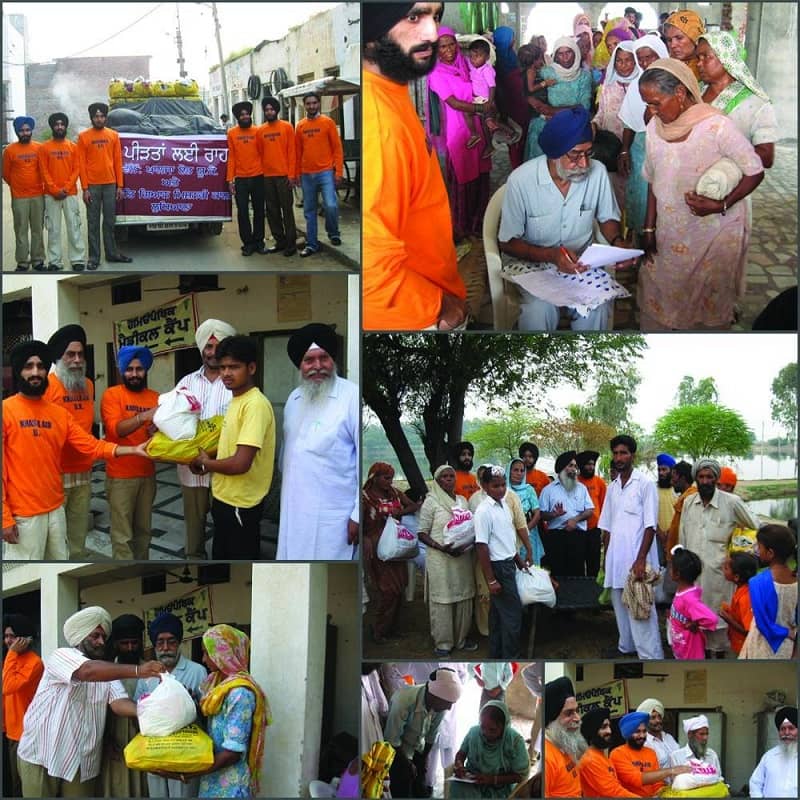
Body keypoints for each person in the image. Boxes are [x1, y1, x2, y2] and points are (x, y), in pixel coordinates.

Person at [362, 2, 467, 331]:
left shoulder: (391, 90)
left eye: (436, 16)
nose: (433, 33)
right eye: (413, 16)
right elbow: (370, 270)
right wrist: (440, 307)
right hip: (417, 318)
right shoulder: (379, 123)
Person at [637, 59, 764, 330]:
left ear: (680, 94)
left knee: (707, 304)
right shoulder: (654, 128)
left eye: (656, 102)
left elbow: (755, 171)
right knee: (660, 294)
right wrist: (648, 228)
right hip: (670, 231)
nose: (651, 110)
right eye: (647, 103)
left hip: (715, 232)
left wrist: (721, 204)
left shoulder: (716, 126)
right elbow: (652, 179)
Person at [2, 341, 150, 561]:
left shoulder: (58, 414)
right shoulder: (6, 411)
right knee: (29, 574)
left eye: (40, 366)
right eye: (28, 366)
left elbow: (90, 444)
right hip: (24, 513)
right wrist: (5, 518)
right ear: (18, 372)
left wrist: (132, 449)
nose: (35, 372)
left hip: (55, 508)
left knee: (60, 564)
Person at [499, 107, 635, 331]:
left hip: (580, 264)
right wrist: (551, 256)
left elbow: (607, 217)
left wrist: (617, 243)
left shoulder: (598, 172)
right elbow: (507, 242)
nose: (584, 164)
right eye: (574, 155)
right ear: (554, 154)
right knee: (538, 310)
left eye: (588, 153)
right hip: (533, 266)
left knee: (597, 308)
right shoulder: (521, 180)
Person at [16, 606, 164, 797]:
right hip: (43, 755)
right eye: (95, 636)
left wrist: (150, 710)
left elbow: (119, 703)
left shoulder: (107, 673)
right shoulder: (61, 655)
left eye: (103, 637)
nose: (101, 642)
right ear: (80, 636)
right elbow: (86, 671)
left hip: (82, 761)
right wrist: (138, 671)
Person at [697, 31, 777, 307]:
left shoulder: (755, 103)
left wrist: (728, 153)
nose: (699, 63)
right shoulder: (694, 92)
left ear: (727, 59)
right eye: (699, 57)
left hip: (732, 191)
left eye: (706, 57)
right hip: (693, 188)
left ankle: (721, 309)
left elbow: (766, 157)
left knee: (722, 260)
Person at [154, 624, 270, 798]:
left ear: (224, 654)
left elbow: (233, 753)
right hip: (212, 777)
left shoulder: (240, 693)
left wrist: (192, 773)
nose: (203, 659)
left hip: (229, 784)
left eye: (207, 653)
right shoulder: (216, 685)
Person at [277, 323, 359, 560]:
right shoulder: (295, 398)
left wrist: (357, 514)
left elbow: (361, 462)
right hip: (294, 511)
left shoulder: (351, 396)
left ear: (333, 359)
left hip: (333, 516)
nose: (317, 366)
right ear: (299, 365)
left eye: (324, 358)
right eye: (309, 360)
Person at [189, 335, 275, 561]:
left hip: (241, 504)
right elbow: (230, 448)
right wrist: (207, 455)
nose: (226, 373)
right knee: (221, 556)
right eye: (223, 367)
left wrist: (205, 464)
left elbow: (240, 463)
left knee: (239, 561)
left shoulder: (254, 405)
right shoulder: (236, 400)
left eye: (234, 367)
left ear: (252, 368)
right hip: (225, 498)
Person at [679, 458, 760, 656]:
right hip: (694, 578)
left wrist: (741, 553)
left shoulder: (732, 503)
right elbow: (682, 536)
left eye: (710, 476)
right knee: (697, 626)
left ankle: (722, 662)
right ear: (696, 478)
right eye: (701, 476)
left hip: (720, 579)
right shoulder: (689, 503)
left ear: (716, 479)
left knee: (721, 628)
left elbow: (755, 526)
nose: (705, 481)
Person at [173, 319, 236, 559]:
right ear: (201, 349)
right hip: (191, 470)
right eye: (207, 347)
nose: (212, 352)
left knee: (227, 524)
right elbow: (175, 421)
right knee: (194, 527)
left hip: (226, 467)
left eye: (217, 346)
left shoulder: (234, 381)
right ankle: (195, 561)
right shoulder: (186, 383)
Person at [599, 435, 663, 659]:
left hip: (637, 561)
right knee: (620, 608)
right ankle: (626, 648)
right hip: (616, 560)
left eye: (623, 453)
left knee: (641, 610)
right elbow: (606, 527)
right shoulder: (613, 487)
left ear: (632, 455)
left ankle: (651, 656)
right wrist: (606, 559)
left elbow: (651, 525)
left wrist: (640, 559)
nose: (619, 457)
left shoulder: (644, 484)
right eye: (615, 453)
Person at [428, 26, 493, 239]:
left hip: (477, 126)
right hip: (458, 130)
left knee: (481, 174)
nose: (447, 50)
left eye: (450, 45)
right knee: (464, 177)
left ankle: (480, 221)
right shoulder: (436, 73)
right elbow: (454, 102)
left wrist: (488, 104)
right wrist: (480, 108)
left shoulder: (465, 64)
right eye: (442, 46)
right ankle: (463, 225)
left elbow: (483, 81)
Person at [135, 613, 208, 798]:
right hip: (155, 752)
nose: (166, 648)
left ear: (179, 642)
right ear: (154, 644)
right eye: (160, 642)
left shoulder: (197, 671)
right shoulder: (147, 675)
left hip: (186, 752)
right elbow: (138, 711)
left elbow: (208, 712)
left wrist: (193, 705)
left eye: (171, 641)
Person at [101, 345, 159, 560]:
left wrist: (157, 429)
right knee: (122, 537)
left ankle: (141, 569)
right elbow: (116, 430)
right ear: (122, 371)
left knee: (144, 533)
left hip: (148, 475)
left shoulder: (155, 397)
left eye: (139, 369)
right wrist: (144, 418)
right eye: (130, 369)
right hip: (120, 477)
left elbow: (161, 432)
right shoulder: (112, 395)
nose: (134, 374)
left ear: (146, 370)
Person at [43, 324, 96, 559]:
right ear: (59, 357)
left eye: (80, 354)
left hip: (83, 472)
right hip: (55, 474)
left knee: (78, 535)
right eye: (70, 354)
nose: (76, 360)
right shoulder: (47, 386)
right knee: (54, 538)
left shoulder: (89, 385)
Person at [418, 464, 477, 656]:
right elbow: (421, 533)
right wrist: (440, 547)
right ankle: (443, 643)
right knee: (443, 598)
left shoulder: (462, 500)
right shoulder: (431, 501)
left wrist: (467, 542)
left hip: (462, 556)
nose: (450, 479)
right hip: (440, 559)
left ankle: (461, 639)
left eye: (452, 475)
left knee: (464, 596)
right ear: (437, 480)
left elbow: (469, 525)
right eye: (445, 476)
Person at [617, 34, 669, 243]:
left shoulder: (674, 81)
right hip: (640, 147)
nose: (645, 63)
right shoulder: (636, 84)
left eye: (650, 57)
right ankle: (640, 243)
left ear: (661, 55)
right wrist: (624, 150)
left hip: (667, 146)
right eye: (641, 58)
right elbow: (630, 122)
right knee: (640, 196)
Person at [362, 462, 422, 644]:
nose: (389, 481)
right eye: (386, 478)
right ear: (374, 477)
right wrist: (364, 538)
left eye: (391, 478)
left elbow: (414, 506)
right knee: (387, 590)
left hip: (396, 545)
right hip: (377, 546)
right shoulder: (365, 497)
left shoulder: (395, 493)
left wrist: (399, 512)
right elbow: (360, 522)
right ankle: (379, 630)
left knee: (399, 588)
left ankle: (393, 629)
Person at [384, 667, 462, 798]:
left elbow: (431, 736)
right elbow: (391, 740)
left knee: (421, 790)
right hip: (397, 752)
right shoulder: (403, 701)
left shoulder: (440, 706)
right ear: (434, 696)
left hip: (417, 749)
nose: (449, 708)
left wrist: (423, 760)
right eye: (448, 703)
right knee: (403, 786)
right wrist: (408, 764)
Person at [474, 466, 526, 658]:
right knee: (512, 615)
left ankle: (496, 655)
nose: (501, 489)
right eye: (496, 486)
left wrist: (519, 560)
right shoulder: (483, 511)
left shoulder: (504, 505)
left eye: (503, 485)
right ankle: (511, 657)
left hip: (508, 562)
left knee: (497, 616)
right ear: (485, 486)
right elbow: (481, 546)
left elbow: (507, 539)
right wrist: (491, 580)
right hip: (498, 568)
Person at [77, 102, 131, 269]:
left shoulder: (113, 135)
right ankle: (94, 258)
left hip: (110, 184)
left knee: (109, 221)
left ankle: (112, 253)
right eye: (96, 117)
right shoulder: (83, 137)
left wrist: (120, 186)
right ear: (91, 118)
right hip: (92, 186)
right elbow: (81, 164)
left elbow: (117, 160)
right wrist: (85, 188)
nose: (99, 119)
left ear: (105, 118)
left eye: (102, 116)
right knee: (92, 222)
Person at [100, 615, 147, 799]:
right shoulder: (106, 671)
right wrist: (105, 739)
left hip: (143, 737)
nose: (130, 648)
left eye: (134, 643)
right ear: (115, 644)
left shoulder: (150, 670)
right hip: (115, 737)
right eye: (124, 643)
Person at [524, 38, 592, 162]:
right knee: (542, 164)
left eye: (568, 52)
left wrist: (552, 110)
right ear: (555, 56)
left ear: (575, 53)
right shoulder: (547, 72)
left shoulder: (584, 76)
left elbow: (584, 107)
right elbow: (527, 90)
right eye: (560, 54)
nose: (565, 57)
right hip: (546, 123)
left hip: (574, 125)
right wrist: (533, 101)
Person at [294, 91, 344, 257]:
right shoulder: (300, 126)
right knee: (309, 211)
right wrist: (296, 174)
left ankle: (333, 232)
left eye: (314, 103)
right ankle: (312, 244)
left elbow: (337, 149)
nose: (311, 106)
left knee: (331, 205)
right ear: (304, 105)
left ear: (319, 104)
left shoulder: (328, 123)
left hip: (325, 173)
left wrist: (338, 172)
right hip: (307, 174)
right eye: (308, 104)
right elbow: (298, 152)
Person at [740, 524, 798, 659]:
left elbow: (762, 623)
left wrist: (785, 632)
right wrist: (792, 634)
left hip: (762, 646)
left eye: (759, 547)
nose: (757, 550)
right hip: (788, 647)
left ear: (770, 553)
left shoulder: (757, 582)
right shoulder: (796, 579)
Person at [2, 615, 44, 798]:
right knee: (11, 784)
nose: (8, 641)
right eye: (6, 636)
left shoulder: (34, 663)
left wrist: (11, 653)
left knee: (23, 785)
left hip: (25, 733)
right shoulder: (11, 661)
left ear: (25, 638)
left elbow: (8, 687)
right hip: (10, 731)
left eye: (12, 636)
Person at [451, 700, 529, 798]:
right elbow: (461, 753)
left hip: (499, 788)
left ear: (504, 726)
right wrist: (459, 765)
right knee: (457, 788)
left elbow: (520, 776)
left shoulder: (514, 741)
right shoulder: (474, 733)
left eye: (493, 730)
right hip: (472, 782)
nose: (486, 733)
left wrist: (493, 779)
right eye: (482, 727)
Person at [39, 112, 85, 271]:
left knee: (74, 227)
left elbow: (76, 169)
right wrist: (53, 189)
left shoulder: (73, 147)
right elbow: (44, 171)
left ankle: (77, 259)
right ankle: (55, 262)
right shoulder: (44, 148)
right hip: (51, 196)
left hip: (70, 194)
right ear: (52, 127)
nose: (59, 127)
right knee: (53, 229)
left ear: (66, 126)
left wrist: (65, 188)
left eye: (62, 124)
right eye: (56, 124)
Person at [538, 452, 594, 577]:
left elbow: (590, 510)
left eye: (575, 466)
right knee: (558, 573)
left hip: (578, 537)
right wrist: (554, 514)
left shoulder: (581, 488)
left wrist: (575, 519)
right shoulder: (548, 490)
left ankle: (576, 597)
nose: (574, 469)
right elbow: (542, 514)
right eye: (571, 465)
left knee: (577, 574)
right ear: (561, 468)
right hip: (556, 537)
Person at [610, 711, 688, 795]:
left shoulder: (650, 752)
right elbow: (636, 779)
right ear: (628, 733)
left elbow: (657, 783)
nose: (642, 736)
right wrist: (671, 771)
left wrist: (664, 793)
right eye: (637, 732)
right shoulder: (617, 754)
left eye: (644, 731)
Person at [3, 116, 45, 272]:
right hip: (19, 197)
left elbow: (43, 170)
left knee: (37, 229)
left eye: (28, 130)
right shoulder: (9, 150)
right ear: (17, 132)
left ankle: (38, 260)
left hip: (38, 196)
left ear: (31, 131)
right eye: (22, 130)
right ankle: (22, 262)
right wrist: (17, 186)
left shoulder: (39, 148)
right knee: (20, 230)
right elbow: (6, 174)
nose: (25, 133)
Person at [258, 96, 297, 256]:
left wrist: (291, 174)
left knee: (287, 210)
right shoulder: (261, 130)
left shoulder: (287, 127)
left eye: (272, 109)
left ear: (277, 110)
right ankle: (279, 241)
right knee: (272, 211)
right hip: (267, 177)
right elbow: (259, 154)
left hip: (283, 176)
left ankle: (291, 244)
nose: (269, 112)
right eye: (266, 110)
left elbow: (292, 152)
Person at [227, 100, 265, 256]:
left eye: (247, 114)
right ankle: (248, 244)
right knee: (242, 212)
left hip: (258, 177)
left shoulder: (258, 131)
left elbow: (263, 154)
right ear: (237, 117)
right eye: (242, 115)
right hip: (241, 179)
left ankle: (259, 242)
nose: (245, 116)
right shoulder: (232, 133)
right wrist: (230, 180)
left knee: (259, 211)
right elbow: (231, 158)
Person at [668, 545, 719, 659]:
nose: (669, 570)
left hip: (691, 651)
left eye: (671, 567)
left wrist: (695, 623)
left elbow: (712, 618)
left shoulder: (689, 599)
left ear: (677, 574)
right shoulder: (683, 592)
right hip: (682, 646)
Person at [577, 707, 639, 798]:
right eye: (603, 727)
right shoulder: (590, 760)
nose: (609, 731)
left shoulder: (602, 756)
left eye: (609, 726)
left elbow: (616, 786)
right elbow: (613, 792)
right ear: (593, 732)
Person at [492, 26, 530, 169]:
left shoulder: (511, 56)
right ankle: (517, 169)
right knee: (516, 139)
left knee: (521, 138)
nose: (514, 40)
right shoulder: (499, 63)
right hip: (511, 107)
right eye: (511, 37)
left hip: (521, 106)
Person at [543, 676, 584, 798]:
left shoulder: (564, 745)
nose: (577, 718)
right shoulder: (547, 758)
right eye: (569, 713)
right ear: (551, 718)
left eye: (576, 711)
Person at [749, 706, 798, 798]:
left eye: (791, 728)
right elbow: (755, 783)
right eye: (782, 729)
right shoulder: (769, 756)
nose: (786, 733)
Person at [718, 551, 758, 656]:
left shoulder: (745, 597)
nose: (722, 568)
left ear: (736, 577)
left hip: (743, 646)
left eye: (726, 568)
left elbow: (748, 630)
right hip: (737, 642)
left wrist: (727, 618)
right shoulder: (741, 589)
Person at [668, 715, 724, 787]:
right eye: (701, 734)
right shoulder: (676, 757)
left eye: (707, 734)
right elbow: (674, 785)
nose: (705, 738)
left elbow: (718, 779)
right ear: (690, 735)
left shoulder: (712, 755)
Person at [505, 457, 542, 565]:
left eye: (522, 471)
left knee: (531, 565)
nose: (519, 473)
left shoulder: (528, 489)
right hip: (509, 534)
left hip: (529, 532)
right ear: (509, 471)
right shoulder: (504, 490)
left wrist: (526, 529)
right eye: (515, 470)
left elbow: (537, 512)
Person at [576, 450, 606, 578]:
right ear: (581, 465)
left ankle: (592, 590)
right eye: (588, 464)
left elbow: (604, 505)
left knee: (593, 563)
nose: (591, 467)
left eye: (593, 464)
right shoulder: (574, 482)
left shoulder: (599, 482)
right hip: (577, 529)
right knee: (577, 562)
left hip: (594, 530)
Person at [636, 698, 680, 768]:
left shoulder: (668, 737)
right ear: (644, 721)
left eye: (659, 716)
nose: (658, 720)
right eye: (653, 717)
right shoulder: (644, 742)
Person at [662, 10, 705, 79]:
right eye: (669, 40)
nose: (673, 45)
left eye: (679, 38)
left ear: (694, 37)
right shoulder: (666, 68)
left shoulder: (708, 69)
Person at [665, 460, 696, 556]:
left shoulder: (691, 500)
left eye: (673, 478)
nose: (671, 482)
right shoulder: (684, 498)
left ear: (683, 478)